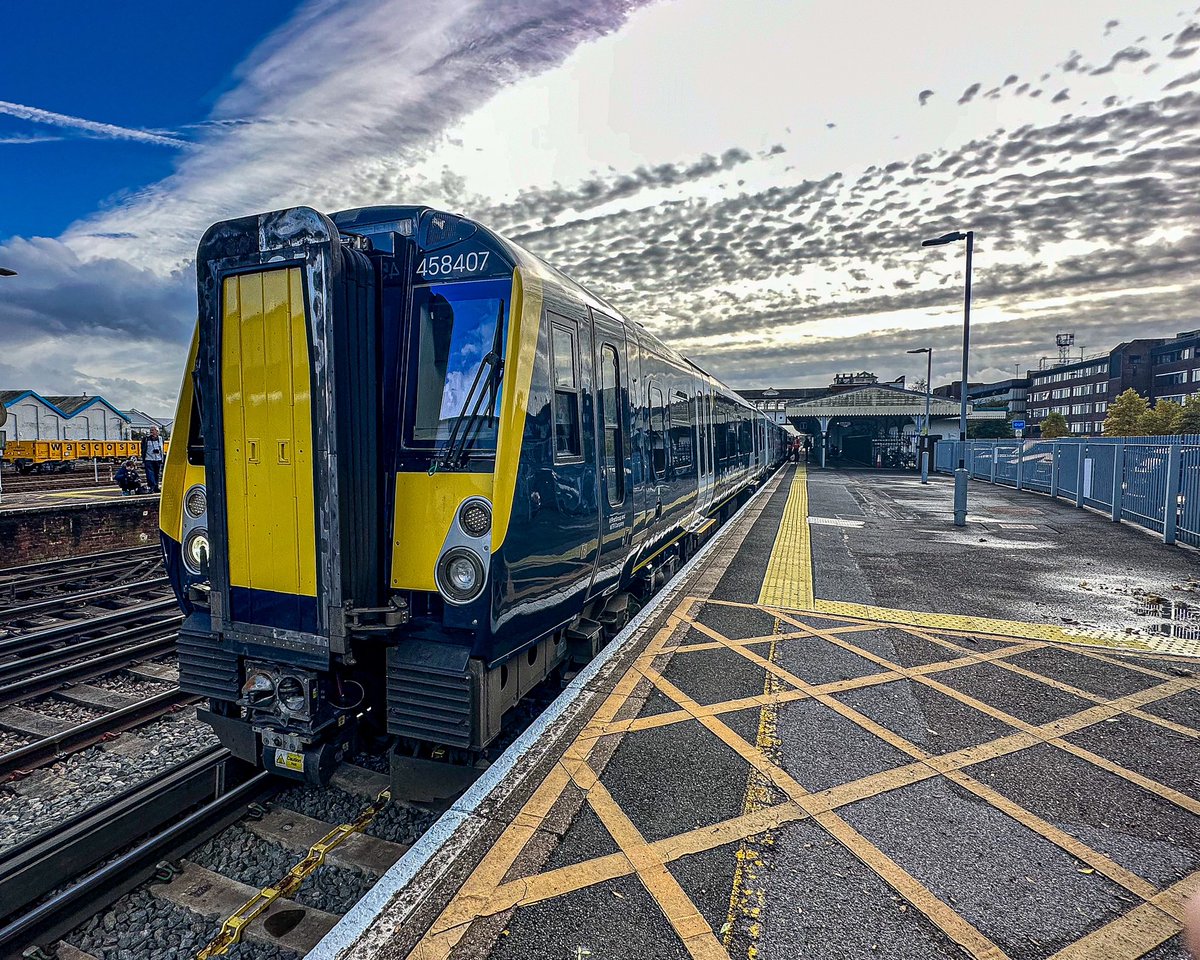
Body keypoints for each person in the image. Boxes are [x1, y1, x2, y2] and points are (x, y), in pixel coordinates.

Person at [142, 426, 165, 494]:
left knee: (157, 474)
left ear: (157, 431)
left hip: (158, 459)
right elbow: (143, 449)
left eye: (153, 430)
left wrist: (162, 458)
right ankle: (151, 487)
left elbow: (162, 448)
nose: (151, 431)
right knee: (150, 474)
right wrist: (143, 459)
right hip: (148, 459)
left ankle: (156, 487)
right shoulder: (146, 439)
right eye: (151, 430)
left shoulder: (160, 439)